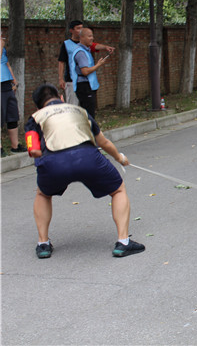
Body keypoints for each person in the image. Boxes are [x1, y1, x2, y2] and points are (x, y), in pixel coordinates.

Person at [25, 84, 145, 259]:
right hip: (88, 158)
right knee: (118, 189)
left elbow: (33, 148)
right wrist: (120, 158)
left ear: (38, 106)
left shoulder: (35, 118)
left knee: (43, 195)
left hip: (53, 163)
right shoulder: (79, 111)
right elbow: (103, 142)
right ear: (61, 97)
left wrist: (41, 155)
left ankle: (43, 244)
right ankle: (123, 242)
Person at [58, 20, 114, 105]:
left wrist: (105, 47)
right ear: (71, 30)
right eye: (78, 28)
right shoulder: (66, 44)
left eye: (82, 28)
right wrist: (61, 78)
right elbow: (61, 62)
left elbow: (96, 46)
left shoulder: (86, 44)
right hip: (72, 80)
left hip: (85, 81)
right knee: (73, 105)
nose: (80, 30)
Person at [70, 28, 110, 118]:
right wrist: (98, 65)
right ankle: (91, 131)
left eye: (92, 36)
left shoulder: (86, 50)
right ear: (82, 37)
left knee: (89, 113)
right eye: (89, 36)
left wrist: (106, 47)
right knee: (89, 114)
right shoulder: (81, 52)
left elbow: (96, 46)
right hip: (84, 86)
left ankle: (90, 130)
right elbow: (85, 71)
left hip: (88, 85)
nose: (92, 38)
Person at [1, 37, 27, 156]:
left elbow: (7, 64)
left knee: (12, 115)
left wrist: (14, 80)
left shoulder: (2, 48)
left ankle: (15, 145)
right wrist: (1, 45)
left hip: (7, 84)